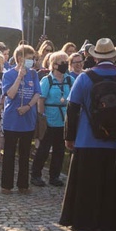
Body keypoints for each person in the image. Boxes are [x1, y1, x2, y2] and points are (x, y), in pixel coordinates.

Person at [60, 38, 116, 231]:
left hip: (88, 140)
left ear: (95, 57)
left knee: (88, 185)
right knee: (115, 185)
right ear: (114, 56)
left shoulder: (84, 78)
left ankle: (85, 221)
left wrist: (69, 136)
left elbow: (72, 109)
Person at [1, 44, 41, 193]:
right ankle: (6, 185)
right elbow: (10, 94)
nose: (31, 61)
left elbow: (37, 92)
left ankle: (23, 185)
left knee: (25, 155)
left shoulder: (33, 74)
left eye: (32, 59)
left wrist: (28, 106)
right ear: (19, 59)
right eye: (29, 58)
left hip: (28, 119)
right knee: (10, 154)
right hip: (12, 120)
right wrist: (19, 77)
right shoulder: (8, 74)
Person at [33, 50, 73, 187]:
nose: (65, 65)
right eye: (63, 63)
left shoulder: (69, 79)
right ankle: (36, 175)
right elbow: (41, 99)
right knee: (44, 149)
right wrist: (42, 117)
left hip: (63, 120)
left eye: (66, 62)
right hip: (49, 119)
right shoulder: (47, 80)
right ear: (54, 65)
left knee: (59, 150)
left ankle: (54, 176)